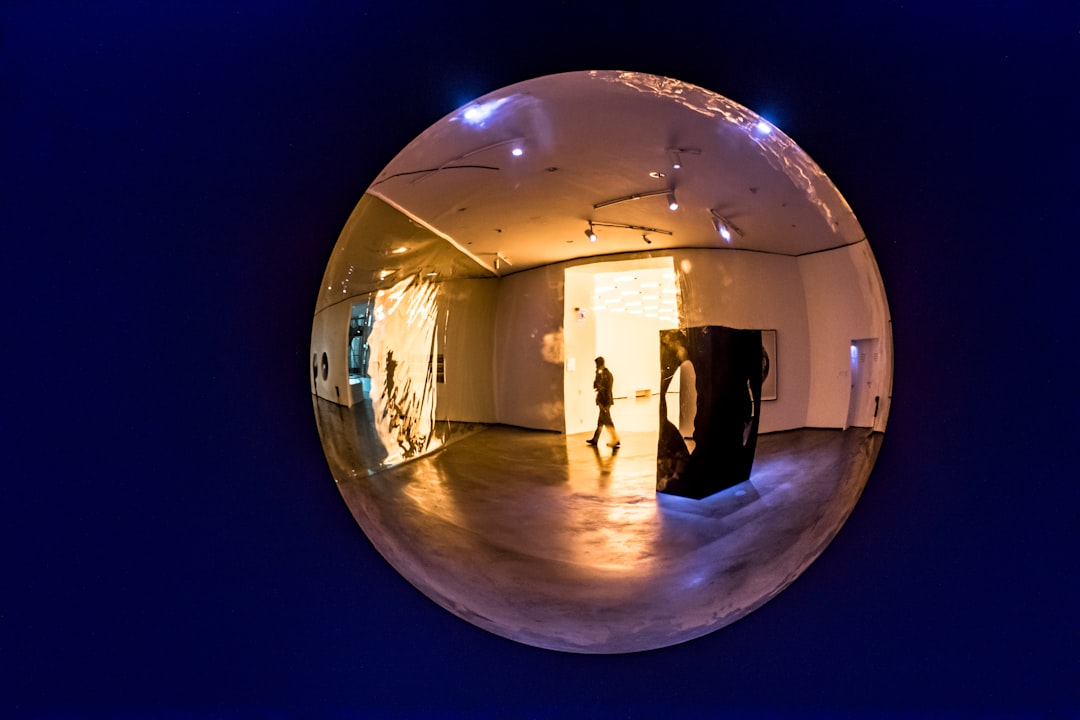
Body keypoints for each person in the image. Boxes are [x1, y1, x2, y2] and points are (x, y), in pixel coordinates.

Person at [587, 356, 620, 449]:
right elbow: (595, 386)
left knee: (607, 421)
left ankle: (615, 439)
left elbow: (606, 389)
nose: (596, 367)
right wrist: (597, 376)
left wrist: (604, 404)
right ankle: (595, 439)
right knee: (601, 421)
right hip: (603, 400)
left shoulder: (607, 375)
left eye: (596, 365)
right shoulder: (601, 374)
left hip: (605, 401)